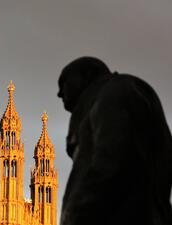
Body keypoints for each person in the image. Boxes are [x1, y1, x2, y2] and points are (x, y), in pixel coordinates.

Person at [57, 57, 172, 225]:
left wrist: (78, 214)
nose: (59, 93)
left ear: (87, 75)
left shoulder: (114, 93)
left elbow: (111, 160)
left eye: (64, 82)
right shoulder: (115, 93)